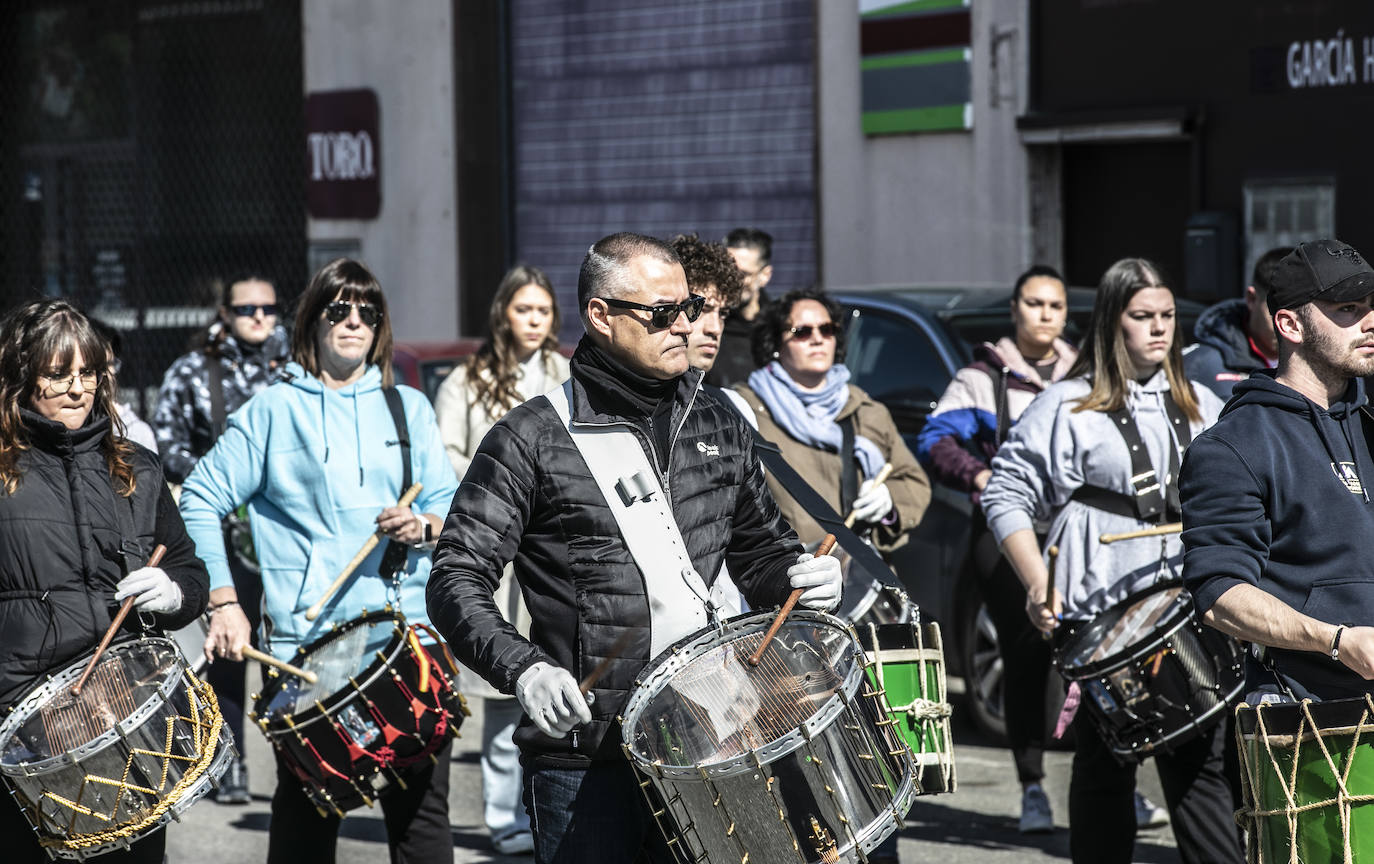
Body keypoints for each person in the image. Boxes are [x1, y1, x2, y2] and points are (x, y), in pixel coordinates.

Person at [426, 232, 842, 864]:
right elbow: (456, 576)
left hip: (715, 737)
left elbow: (761, 555)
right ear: (601, 315)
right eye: (662, 313)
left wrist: (801, 578)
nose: (687, 325)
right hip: (588, 754)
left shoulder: (719, 420)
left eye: (692, 307)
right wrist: (524, 668)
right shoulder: (530, 437)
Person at [180, 259, 459, 864]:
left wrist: (424, 525)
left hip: (407, 638)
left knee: (421, 814)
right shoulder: (271, 411)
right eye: (339, 310)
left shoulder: (407, 407)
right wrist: (223, 602)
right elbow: (199, 499)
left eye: (368, 312)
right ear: (313, 320)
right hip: (307, 648)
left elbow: (448, 505)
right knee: (308, 815)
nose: (354, 322)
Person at [980, 258, 1238, 864]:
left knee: (1202, 767)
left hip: (1185, 610)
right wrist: (1038, 582)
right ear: (1110, 323)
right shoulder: (1067, 405)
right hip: (1100, 611)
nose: (1159, 329)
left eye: (1167, 316)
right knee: (1106, 764)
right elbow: (1006, 493)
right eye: (1142, 317)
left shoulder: (1203, 402)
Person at [0, 300, 208, 864]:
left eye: (87, 373)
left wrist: (172, 593)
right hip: (25, 727)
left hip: (128, 718)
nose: (76, 389)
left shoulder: (137, 467)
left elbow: (190, 571)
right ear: (21, 377)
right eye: (57, 374)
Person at [916, 266, 1077, 834]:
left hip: (1074, 531)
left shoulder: (1083, 373)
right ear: (1016, 309)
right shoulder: (983, 377)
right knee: (1026, 652)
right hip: (1005, 533)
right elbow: (935, 440)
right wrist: (983, 479)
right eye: (1034, 303)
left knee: (1101, 656)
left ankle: (1119, 780)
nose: (1045, 314)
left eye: (1055, 305)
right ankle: (1032, 786)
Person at [1181, 239, 1374, 702]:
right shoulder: (1232, 445)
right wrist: (1337, 640)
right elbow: (1220, 593)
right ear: (1290, 324)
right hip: (1308, 709)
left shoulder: (1369, 425)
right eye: (1348, 309)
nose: (1370, 323)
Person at [432, 264, 569, 856]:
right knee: (500, 695)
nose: (534, 321)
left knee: (562, 684)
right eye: (524, 310)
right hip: (497, 552)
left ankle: (545, 810)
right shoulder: (467, 381)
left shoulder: (569, 374)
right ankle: (500, 816)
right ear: (502, 314)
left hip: (556, 551)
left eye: (543, 311)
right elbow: (447, 463)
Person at [149, 269, 288, 804]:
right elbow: (166, 443)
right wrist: (229, 473)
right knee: (230, 650)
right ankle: (228, 765)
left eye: (268, 309)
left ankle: (293, 765)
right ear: (225, 314)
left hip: (281, 534)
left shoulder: (295, 368)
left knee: (284, 643)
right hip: (223, 531)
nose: (259, 318)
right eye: (247, 309)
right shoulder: (191, 370)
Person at [731, 288, 930, 556]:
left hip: (860, 577)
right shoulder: (744, 409)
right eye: (802, 331)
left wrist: (889, 503)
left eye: (827, 329)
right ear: (775, 343)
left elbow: (913, 481)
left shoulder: (867, 409)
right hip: (788, 576)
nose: (817, 339)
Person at [1184, 247, 1292, 399]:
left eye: (1300, 312)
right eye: (1277, 311)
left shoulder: (1326, 362)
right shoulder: (1198, 366)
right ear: (1252, 299)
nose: (1287, 325)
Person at [706, 226, 774, 387]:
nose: (732, 280)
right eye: (728, 270)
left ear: (765, 275)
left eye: (743, 274)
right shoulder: (708, 325)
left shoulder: (780, 326)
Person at [671, 233, 743, 374]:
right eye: (701, 309)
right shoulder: (619, 394)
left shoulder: (728, 396)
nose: (715, 329)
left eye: (722, 314)